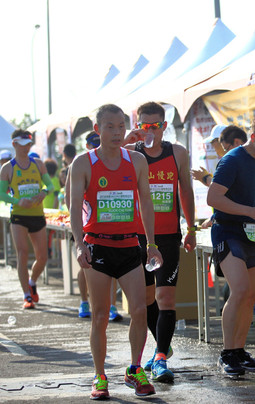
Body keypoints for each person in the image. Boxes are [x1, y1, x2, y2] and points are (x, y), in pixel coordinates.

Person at [70, 104, 162, 399]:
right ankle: (99, 376)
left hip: (128, 246)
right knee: (99, 316)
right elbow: (73, 209)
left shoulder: (136, 160)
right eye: (109, 126)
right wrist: (78, 243)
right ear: (97, 130)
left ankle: (135, 369)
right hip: (97, 247)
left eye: (121, 126)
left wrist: (151, 244)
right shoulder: (83, 163)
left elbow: (146, 202)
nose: (116, 132)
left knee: (139, 311)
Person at [123, 101, 196, 383]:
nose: (150, 130)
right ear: (138, 126)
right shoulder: (129, 154)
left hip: (167, 237)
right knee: (144, 300)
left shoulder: (177, 153)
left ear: (164, 126)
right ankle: (162, 344)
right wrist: (126, 143)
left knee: (166, 298)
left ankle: (161, 358)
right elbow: (96, 160)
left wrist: (190, 228)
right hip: (137, 238)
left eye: (155, 125)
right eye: (144, 125)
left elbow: (186, 192)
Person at [207, 113, 255, 377]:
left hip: (250, 232)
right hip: (227, 231)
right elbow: (213, 198)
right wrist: (252, 212)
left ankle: (239, 351)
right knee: (239, 290)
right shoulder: (232, 159)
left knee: (251, 296)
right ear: (253, 137)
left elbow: (248, 202)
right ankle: (227, 353)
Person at [65, 131, 123, 321]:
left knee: (112, 267)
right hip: (86, 226)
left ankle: (112, 305)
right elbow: (69, 199)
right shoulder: (79, 163)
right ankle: (83, 301)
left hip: (109, 224)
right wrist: (79, 224)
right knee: (85, 267)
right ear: (88, 145)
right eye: (93, 144)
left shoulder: (115, 161)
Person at [0, 130, 54, 309]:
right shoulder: (7, 168)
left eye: (28, 145)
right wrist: (17, 200)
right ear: (14, 144)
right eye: (22, 145)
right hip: (19, 216)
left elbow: (51, 185)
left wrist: (43, 192)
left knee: (42, 257)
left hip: (37, 215)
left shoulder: (38, 164)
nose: (26, 148)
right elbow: (1, 193)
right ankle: (26, 296)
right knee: (22, 254)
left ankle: (32, 281)